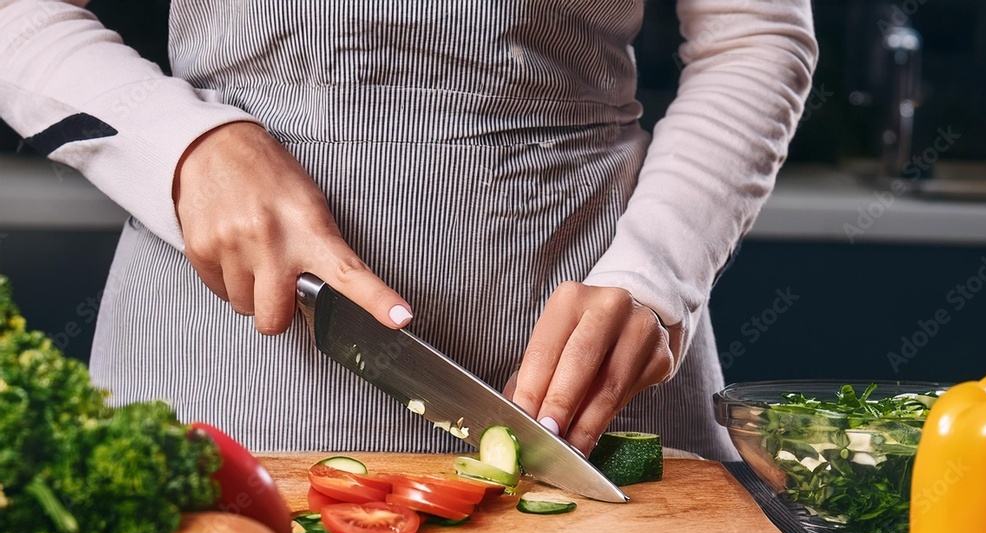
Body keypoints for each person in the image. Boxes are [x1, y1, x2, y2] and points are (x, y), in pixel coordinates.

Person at [0, 0, 817, 459]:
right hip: (223, 336)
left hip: (596, 323)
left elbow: (756, 33)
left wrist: (660, 271)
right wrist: (180, 146)